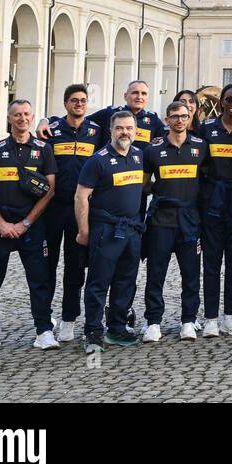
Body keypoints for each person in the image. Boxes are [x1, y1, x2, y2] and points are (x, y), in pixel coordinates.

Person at [0, 99, 58, 353]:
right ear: (9, 119)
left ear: (32, 118)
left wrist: (25, 223)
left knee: (39, 280)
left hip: (33, 226)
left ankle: (43, 331)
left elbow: (50, 191)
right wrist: (1, 223)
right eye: (17, 115)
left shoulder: (43, 149)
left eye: (27, 114)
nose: (22, 119)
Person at [76, 110, 146, 354]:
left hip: (132, 230)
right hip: (106, 230)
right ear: (111, 130)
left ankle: (117, 326)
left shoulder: (139, 156)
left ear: (135, 131)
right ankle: (93, 331)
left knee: (126, 281)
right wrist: (83, 231)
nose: (124, 132)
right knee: (98, 282)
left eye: (128, 128)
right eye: (119, 128)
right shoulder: (98, 160)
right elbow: (81, 196)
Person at [141, 101, 204, 342]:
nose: (179, 120)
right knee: (156, 273)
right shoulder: (153, 149)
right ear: (166, 120)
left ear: (189, 119)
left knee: (191, 274)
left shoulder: (200, 147)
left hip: (190, 219)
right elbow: (145, 184)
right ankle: (153, 321)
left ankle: (188, 320)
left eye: (184, 116)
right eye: (174, 116)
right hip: (161, 219)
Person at [42, 84, 98, 343]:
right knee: (47, 266)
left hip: (81, 209)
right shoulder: (51, 130)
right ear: (65, 104)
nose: (79, 104)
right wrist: (44, 119)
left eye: (83, 101)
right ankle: (44, 318)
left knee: (75, 267)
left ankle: (69, 319)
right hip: (53, 207)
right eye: (74, 100)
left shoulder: (96, 132)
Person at [198, 83, 232, 337]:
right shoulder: (207, 128)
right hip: (213, 204)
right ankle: (210, 318)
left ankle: (230, 315)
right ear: (221, 101)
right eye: (229, 99)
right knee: (211, 261)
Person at [85, 79, 167, 148]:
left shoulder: (153, 119)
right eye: (135, 93)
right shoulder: (109, 113)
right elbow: (82, 122)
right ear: (125, 96)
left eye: (144, 94)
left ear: (147, 98)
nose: (139, 97)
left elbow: (169, 136)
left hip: (139, 166)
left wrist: (160, 140)